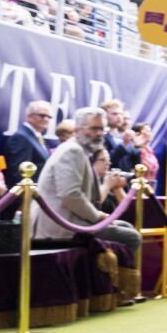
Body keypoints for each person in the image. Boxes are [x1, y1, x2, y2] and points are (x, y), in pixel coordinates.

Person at [32, 107, 143, 258]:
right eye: (94, 128)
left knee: (126, 227)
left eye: (101, 129)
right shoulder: (73, 151)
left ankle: (104, 279)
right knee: (131, 237)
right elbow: (70, 195)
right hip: (60, 228)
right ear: (77, 131)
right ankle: (115, 281)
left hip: (69, 222)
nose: (98, 133)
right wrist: (97, 217)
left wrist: (99, 217)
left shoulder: (80, 150)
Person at [3, 101, 56, 182]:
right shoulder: (21, 137)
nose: (46, 119)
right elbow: (20, 173)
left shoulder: (36, 136)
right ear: (29, 116)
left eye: (49, 117)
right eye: (42, 115)